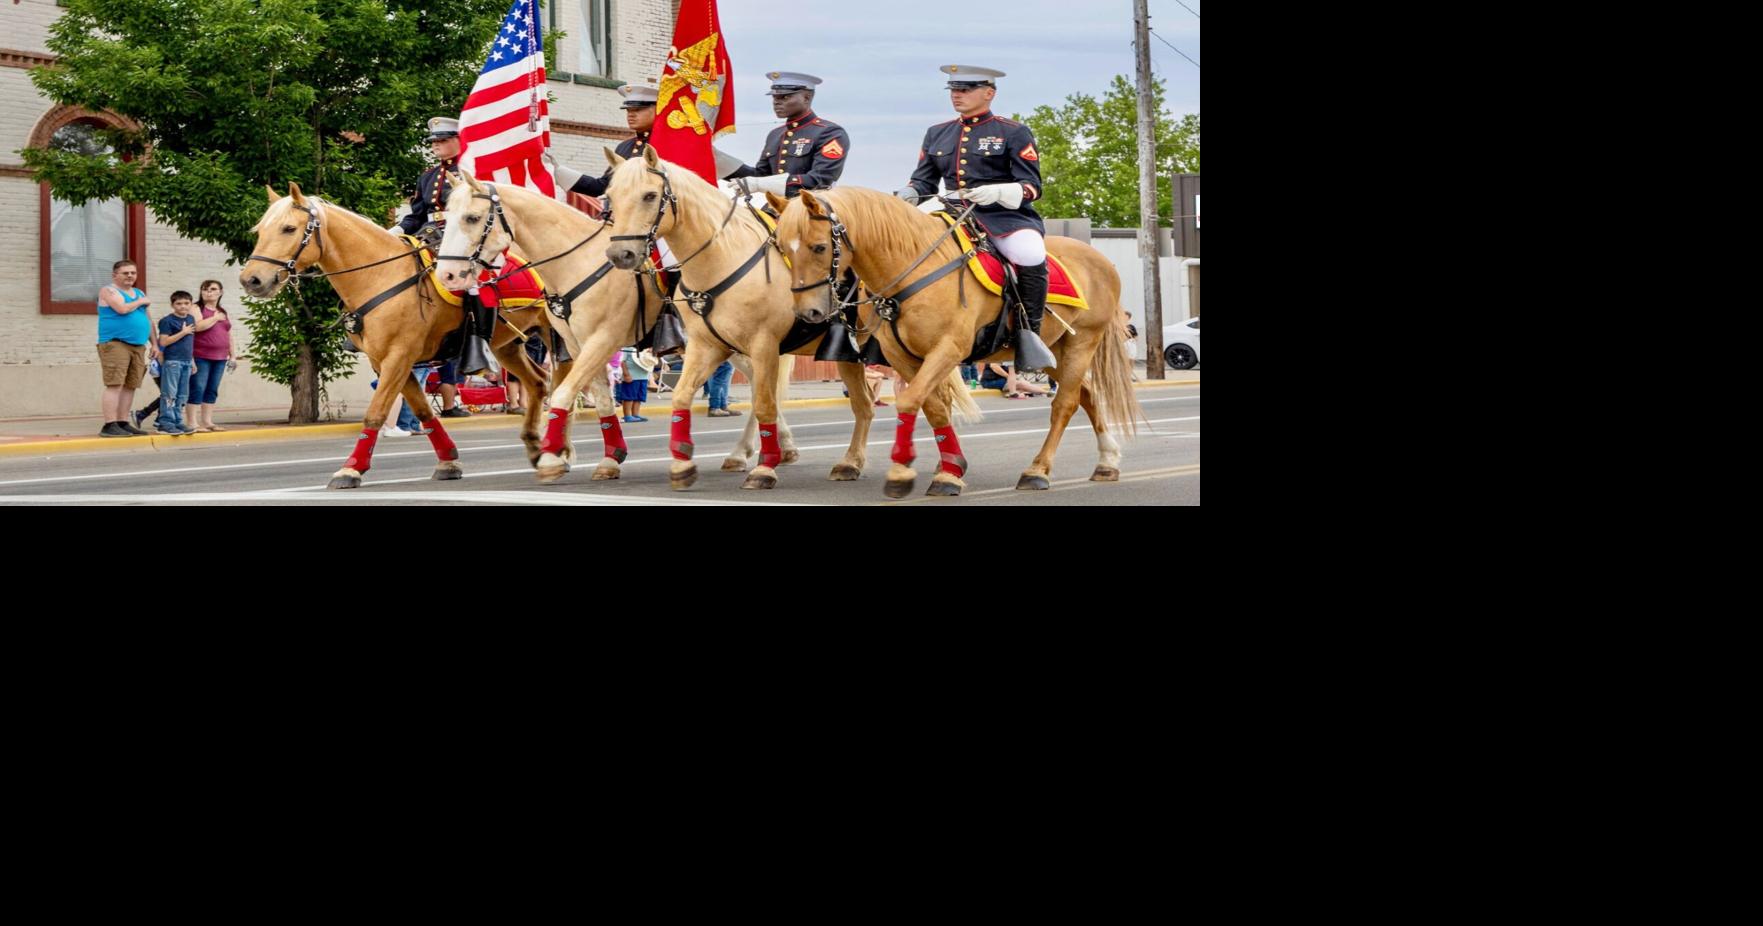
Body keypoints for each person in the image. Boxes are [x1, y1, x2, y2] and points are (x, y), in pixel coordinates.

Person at [895, 65, 1056, 372]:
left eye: (965, 90)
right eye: (954, 90)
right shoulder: (937, 133)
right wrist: (909, 193)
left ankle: (1029, 334)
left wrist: (999, 192)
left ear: (988, 93)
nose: (957, 95)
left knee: (1029, 253)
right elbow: (924, 182)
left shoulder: (1012, 132)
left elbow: (1032, 187)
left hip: (1004, 217)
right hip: (952, 211)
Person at [714, 72, 850, 199]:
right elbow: (761, 176)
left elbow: (821, 179)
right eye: (774, 97)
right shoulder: (775, 134)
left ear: (807, 98)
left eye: (785, 96)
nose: (776, 102)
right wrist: (716, 158)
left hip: (811, 209)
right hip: (775, 208)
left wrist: (759, 184)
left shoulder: (829, 132)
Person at [545, 85, 658, 202]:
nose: (631, 115)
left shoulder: (667, 144)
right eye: (629, 110)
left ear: (657, 110)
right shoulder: (624, 147)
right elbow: (603, 187)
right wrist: (556, 171)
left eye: (638, 110)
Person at [97, 260, 154, 437]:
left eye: (133, 273)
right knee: (115, 384)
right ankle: (109, 424)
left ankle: (122, 422)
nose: (130, 276)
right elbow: (121, 309)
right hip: (116, 343)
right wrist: (141, 301)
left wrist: (155, 344)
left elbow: (149, 321)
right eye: (125, 273)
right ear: (115, 275)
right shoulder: (108, 291)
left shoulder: (138, 292)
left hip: (138, 346)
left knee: (130, 385)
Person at [185, 279, 234, 432]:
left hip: (220, 357)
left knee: (212, 389)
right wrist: (215, 318)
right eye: (205, 289)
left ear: (221, 292)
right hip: (201, 355)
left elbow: (229, 334)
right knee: (197, 387)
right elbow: (197, 327)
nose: (209, 292)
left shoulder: (223, 311)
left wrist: (233, 355)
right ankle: (192, 422)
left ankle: (207, 421)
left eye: (213, 289)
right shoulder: (196, 307)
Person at [153, 291, 200, 434]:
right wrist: (183, 332)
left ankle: (178, 421)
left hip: (186, 361)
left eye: (186, 303)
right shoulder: (167, 321)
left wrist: (192, 361)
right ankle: (165, 422)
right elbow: (163, 341)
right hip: (173, 361)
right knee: (169, 393)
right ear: (172, 305)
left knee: (182, 394)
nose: (183, 306)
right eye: (178, 303)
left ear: (191, 304)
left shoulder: (191, 318)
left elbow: (189, 343)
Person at [617, 346, 653, 422]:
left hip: (643, 376)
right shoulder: (626, 348)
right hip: (632, 376)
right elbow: (622, 361)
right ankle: (627, 415)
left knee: (639, 397)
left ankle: (635, 414)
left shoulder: (645, 347)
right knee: (629, 397)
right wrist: (626, 374)